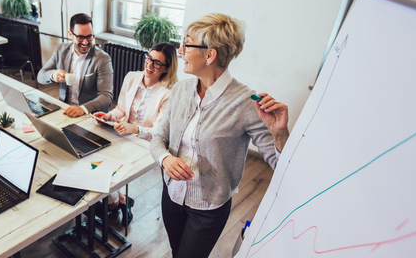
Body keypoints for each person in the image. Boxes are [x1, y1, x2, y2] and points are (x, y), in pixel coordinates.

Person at [150, 13, 290, 257]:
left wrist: (280, 134)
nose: (181, 49)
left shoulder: (245, 102)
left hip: (208, 208)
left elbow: (283, 166)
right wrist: (165, 159)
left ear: (210, 54)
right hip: (171, 195)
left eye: (187, 43)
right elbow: (158, 139)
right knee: (176, 252)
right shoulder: (182, 89)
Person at [93, 42, 179, 224]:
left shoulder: (169, 93)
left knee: (109, 168)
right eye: (149, 58)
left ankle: (114, 202)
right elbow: (121, 109)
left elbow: (159, 131)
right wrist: (108, 115)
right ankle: (118, 201)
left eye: (157, 63)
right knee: (95, 160)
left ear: (167, 68)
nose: (149, 65)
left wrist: (136, 129)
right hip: (122, 134)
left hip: (145, 144)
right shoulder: (132, 77)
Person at [37, 13, 113, 117]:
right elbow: (40, 76)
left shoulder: (102, 59)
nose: (85, 42)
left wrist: (83, 109)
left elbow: (106, 96)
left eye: (89, 36)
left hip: (90, 114)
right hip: (65, 109)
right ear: (70, 34)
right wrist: (53, 75)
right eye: (81, 37)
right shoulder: (61, 50)